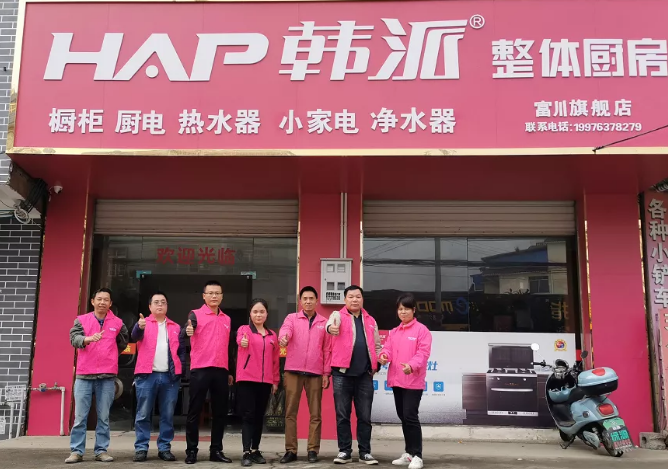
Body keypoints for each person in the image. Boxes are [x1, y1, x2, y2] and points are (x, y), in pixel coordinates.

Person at [66, 288, 130, 464]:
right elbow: (73, 339)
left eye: (106, 300)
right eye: (99, 299)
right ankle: (76, 451)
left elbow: (123, 342)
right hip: (84, 375)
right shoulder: (81, 320)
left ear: (110, 303)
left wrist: (110, 355)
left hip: (107, 376)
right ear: (92, 301)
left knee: (104, 417)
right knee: (80, 417)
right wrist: (87, 339)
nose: (102, 302)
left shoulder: (118, 323)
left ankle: (101, 451)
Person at [326, 285, 381, 465]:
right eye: (351, 296)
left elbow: (377, 346)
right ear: (345, 299)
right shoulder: (337, 315)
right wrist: (330, 328)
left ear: (362, 299)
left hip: (364, 375)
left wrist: (377, 363)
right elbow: (329, 326)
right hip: (342, 374)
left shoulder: (370, 320)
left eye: (358, 296)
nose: (354, 299)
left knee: (364, 416)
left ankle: (365, 452)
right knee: (343, 415)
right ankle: (344, 451)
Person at [181, 280, 235, 465]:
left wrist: (230, 371)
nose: (214, 296)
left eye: (217, 293)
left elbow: (229, 347)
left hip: (221, 370)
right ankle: (191, 451)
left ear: (222, 296)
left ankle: (216, 450)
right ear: (204, 296)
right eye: (210, 293)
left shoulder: (226, 319)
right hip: (200, 369)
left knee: (220, 413)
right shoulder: (195, 315)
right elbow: (186, 331)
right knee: (194, 411)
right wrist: (188, 330)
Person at [278, 286, 332, 464]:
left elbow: (327, 349)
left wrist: (326, 373)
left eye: (311, 298)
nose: (308, 302)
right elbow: (285, 331)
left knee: (315, 414)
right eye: (305, 299)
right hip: (293, 371)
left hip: (315, 373)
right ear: (300, 301)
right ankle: (290, 450)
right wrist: (284, 338)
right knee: (290, 412)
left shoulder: (324, 322)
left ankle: (312, 450)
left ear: (316, 301)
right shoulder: (291, 318)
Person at [379, 293, 432, 469]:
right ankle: (409, 453)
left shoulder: (422, 331)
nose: (403, 312)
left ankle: (418, 455)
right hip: (397, 380)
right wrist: (383, 356)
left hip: (413, 381)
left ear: (413, 310)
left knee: (410, 417)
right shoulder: (394, 332)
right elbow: (387, 349)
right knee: (403, 417)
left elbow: (423, 354)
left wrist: (411, 365)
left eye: (406, 309)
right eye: (400, 309)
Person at [131, 291, 185, 462]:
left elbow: (181, 351)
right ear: (150, 306)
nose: (160, 305)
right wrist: (138, 327)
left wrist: (180, 370)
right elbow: (134, 336)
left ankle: (164, 448)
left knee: (167, 415)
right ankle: (141, 448)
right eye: (156, 302)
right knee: (143, 414)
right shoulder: (143, 324)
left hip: (170, 377)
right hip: (147, 375)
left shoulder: (175, 327)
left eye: (163, 302)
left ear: (167, 306)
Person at [235, 298, 280, 467]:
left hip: (265, 381)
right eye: (255, 311)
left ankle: (255, 450)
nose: (258, 315)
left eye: (262, 311)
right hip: (247, 379)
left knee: (259, 416)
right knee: (248, 415)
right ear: (250, 314)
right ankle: (246, 452)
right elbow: (240, 339)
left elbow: (275, 361)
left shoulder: (272, 335)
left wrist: (275, 381)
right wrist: (242, 342)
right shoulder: (244, 330)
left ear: (267, 314)